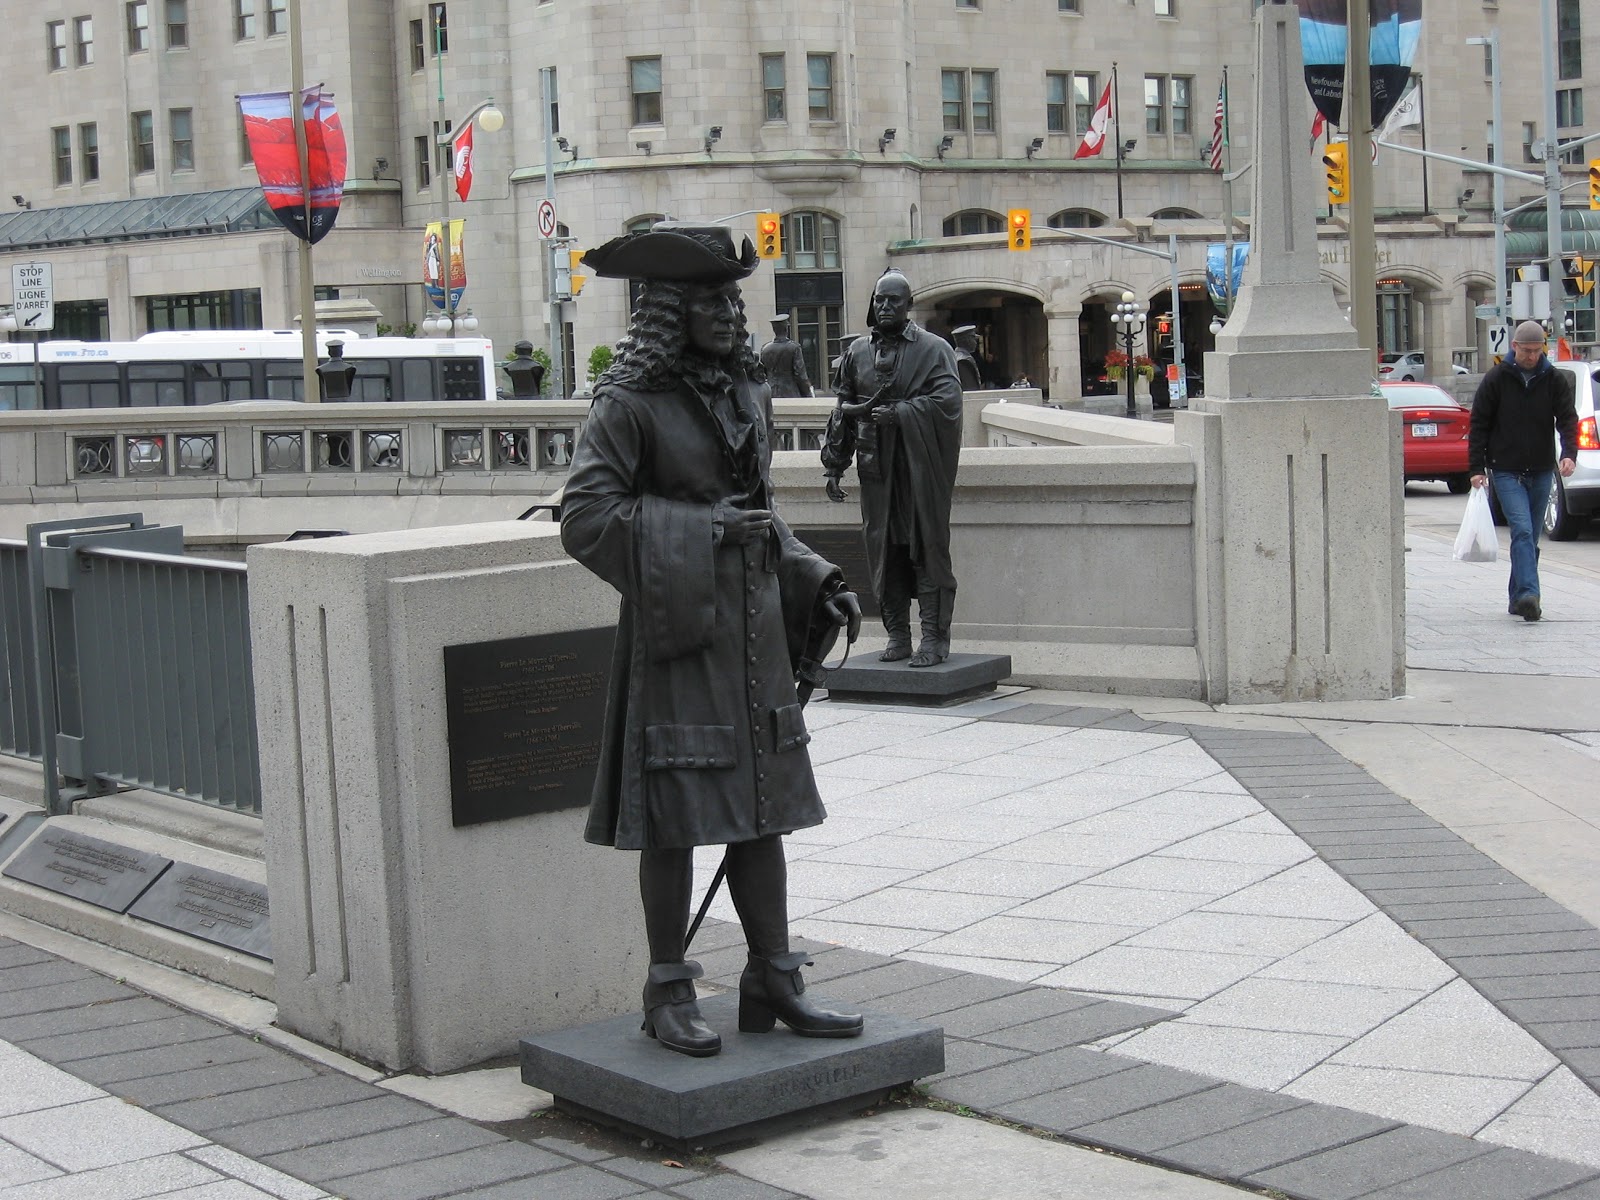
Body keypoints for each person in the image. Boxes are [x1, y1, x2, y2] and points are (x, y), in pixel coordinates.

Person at [561, 223, 864, 1059]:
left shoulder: (746, 395)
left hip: (755, 638)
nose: (732, 317)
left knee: (763, 812)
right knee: (675, 817)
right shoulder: (627, 407)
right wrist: (705, 535)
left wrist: (813, 576)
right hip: (678, 637)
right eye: (712, 302)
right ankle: (667, 990)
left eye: (734, 301)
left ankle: (772, 974)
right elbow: (585, 519)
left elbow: (758, 516)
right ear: (668, 313)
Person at [822, 269, 963, 667]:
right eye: (879, 299)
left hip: (920, 471)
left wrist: (901, 414)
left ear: (908, 305)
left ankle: (934, 638)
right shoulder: (857, 354)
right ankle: (897, 635)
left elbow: (948, 403)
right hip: (876, 472)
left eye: (893, 301)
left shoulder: (935, 349)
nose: (884, 306)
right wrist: (834, 465)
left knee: (926, 551)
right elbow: (842, 412)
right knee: (884, 553)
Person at [1468, 320, 1578, 622]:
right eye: (1526, 351)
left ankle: (1517, 597)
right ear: (1514, 347)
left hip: (1542, 468)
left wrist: (1569, 454)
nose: (1531, 356)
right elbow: (1479, 424)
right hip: (1505, 469)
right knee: (1522, 530)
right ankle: (1530, 594)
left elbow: (1568, 419)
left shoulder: (1552, 379)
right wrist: (1476, 468)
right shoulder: (1497, 379)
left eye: (1536, 351)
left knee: (1529, 540)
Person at [758, 314, 813, 397]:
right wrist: (808, 393)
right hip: (790, 392)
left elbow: (761, 374)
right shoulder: (794, 347)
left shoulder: (765, 349)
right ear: (786, 328)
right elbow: (800, 375)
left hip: (770, 393)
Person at [950, 325, 983, 391]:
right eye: (974, 339)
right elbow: (970, 389)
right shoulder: (963, 360)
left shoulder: (954, 355)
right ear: (967, 340)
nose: (976, 343)